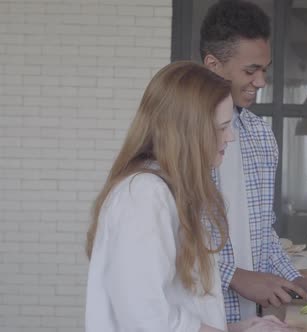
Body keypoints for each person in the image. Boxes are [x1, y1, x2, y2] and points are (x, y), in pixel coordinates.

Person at [85, 61, 295, 332]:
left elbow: (179, 311)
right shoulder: (143, 195)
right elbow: (145, 320)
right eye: (222, 127)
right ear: (187, 133)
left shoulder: (172, 191)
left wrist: (239, 327)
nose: (230, 137)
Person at [200, 0, 307, 323]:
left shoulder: (261, 137)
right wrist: (234, 275)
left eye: (264, 69)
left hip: (252, 320)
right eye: (250, 70)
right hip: (195, 317)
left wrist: (295, 280)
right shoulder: (177, 138)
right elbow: (169, 245)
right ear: (212, 65)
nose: (261, 81)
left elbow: (262, 232)